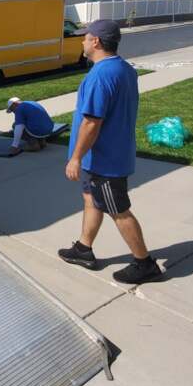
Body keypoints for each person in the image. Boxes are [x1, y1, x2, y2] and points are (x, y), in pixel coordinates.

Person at [58, 19, 162, 285]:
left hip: (104, 160)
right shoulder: (124, 69)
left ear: (96, 41)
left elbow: (92, 121)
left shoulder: (101, 75)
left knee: (119, 210)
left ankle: (144, 264)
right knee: (91, 200)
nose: (81, 41)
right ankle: (83, 249)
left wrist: (76, 157)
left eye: (85, 37)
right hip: (109, 154)